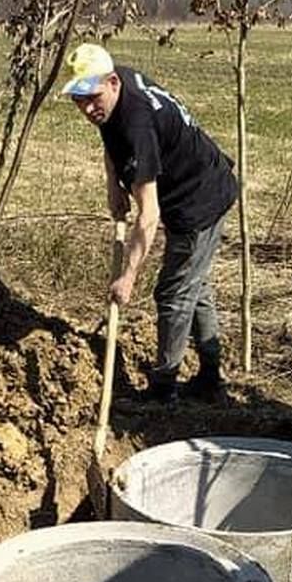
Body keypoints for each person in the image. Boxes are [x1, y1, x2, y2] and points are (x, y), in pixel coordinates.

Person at [62, 43, 238, 403]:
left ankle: (163, 389)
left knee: (172, 294)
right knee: (194, 286)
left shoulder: (136, 122)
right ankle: (211, 379)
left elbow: (149, 215)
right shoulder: (115, 90)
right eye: (78, 100)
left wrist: (127, 276)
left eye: (93, 98)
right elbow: (109, 136)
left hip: (199, 198)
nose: (87, 108)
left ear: (112, 83)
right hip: (191, 187)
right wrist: (114, 184)